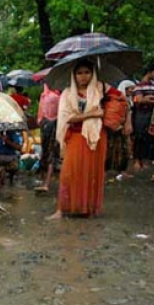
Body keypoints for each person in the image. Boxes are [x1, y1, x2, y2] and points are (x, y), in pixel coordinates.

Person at [47, 59, 123, 220]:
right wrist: (93, 114)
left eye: (87, 72)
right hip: (75, 136)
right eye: (79, 73)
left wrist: (112, 112)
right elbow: (68, 118)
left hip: (96, 137)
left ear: (93, 73)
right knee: (68, 173)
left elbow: (121, 100)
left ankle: (87, 208)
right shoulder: (68, 93)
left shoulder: (101, 89)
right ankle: (62, 209)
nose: (83, 77)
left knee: (91, 172)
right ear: (73, 75)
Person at [131, 66, 154, 170]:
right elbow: (138, 100)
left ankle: (143, 160)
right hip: (141, 114)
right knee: (139, 136)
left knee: (150, 137)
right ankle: (137, 160)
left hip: (152, 114)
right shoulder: (138, 86)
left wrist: (148, 98)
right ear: (149, 72)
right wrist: (151, 99)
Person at [103, 81, 134, 180]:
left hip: (120, 127)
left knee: (121, 149)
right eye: (130, 88)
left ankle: (119, 171)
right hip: (112, 127)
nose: (132, 91)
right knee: (110, 149)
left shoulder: (124, 100)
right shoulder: (113, 99)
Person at [34, 84, 61, 192]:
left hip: (45, 125)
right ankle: (46, 182)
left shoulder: (44, 95)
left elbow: (40, 115)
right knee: (52, 153)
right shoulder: (57, 97)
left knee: (45, 152)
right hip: (55, 126)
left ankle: (44, 179)